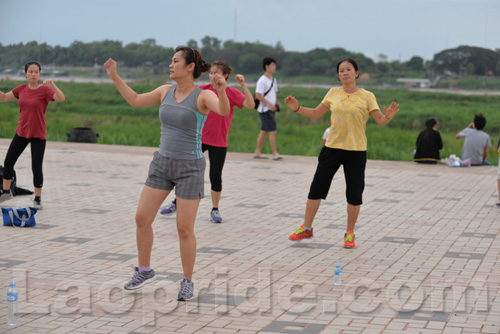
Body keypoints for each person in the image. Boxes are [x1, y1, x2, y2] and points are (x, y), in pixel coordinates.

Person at [104, 46, 229, 301]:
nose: (171, 65)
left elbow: (224, 110)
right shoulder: (165, 91)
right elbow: (135, 99)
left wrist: (222, 90)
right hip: (161, 164)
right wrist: (115, 76)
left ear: (190, 66)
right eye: (171, 61)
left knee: (184, 228)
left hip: (189, 168)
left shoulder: (202, 96)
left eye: (175, 61)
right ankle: (144, 270)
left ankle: (187, 281)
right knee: (142, 218)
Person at [284, 58, 399, 248]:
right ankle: (306, 228)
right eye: (341, 70)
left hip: (356, 150)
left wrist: (388, 117)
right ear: (338, 75)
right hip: (332, 148)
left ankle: (350, 233)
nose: (345, 73)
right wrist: (297, 108)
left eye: (348, 70)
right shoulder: (333, 93)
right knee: (316, 188)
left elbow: (379, 119)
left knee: (354, 193)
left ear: (356, 73)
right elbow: (315, 113)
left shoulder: (367, 96)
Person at [161, 61, 255, 223]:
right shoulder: (203, 90)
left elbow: (251, 105)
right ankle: (176, 202)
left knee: (215, 176)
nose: (212, 76)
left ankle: (215, 209)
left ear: (225, 76)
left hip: (219, 142)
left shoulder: (231, 93)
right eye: (211, 73)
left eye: (216, 73)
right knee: (186, 171)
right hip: (199, 140)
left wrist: (243, 84)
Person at [0, 61, 65, 208]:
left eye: (36, 72)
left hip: (38, 134)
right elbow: (3, 98)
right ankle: (6, 192)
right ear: (25, 74)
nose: (34, 74)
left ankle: (37, 199)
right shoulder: (21, 89)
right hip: (22, 132)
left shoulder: (44, 90)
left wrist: (53, 85)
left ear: (39, 74)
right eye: (31, 72)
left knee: (36, 167)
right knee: (8, 162)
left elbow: (61, 98)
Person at [253, 57, 282, 160]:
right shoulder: (262, 80)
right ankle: (275, 153)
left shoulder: (274, 80)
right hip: (264, 110)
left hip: (271, 109)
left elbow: (274, 93)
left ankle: (257, 152)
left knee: (264, 131)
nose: (274, 67)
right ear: (267, 66)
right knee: (273, 131)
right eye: (272, 65)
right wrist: (270, 104)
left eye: (275, 65)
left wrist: (276, 103)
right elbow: (258, 95)